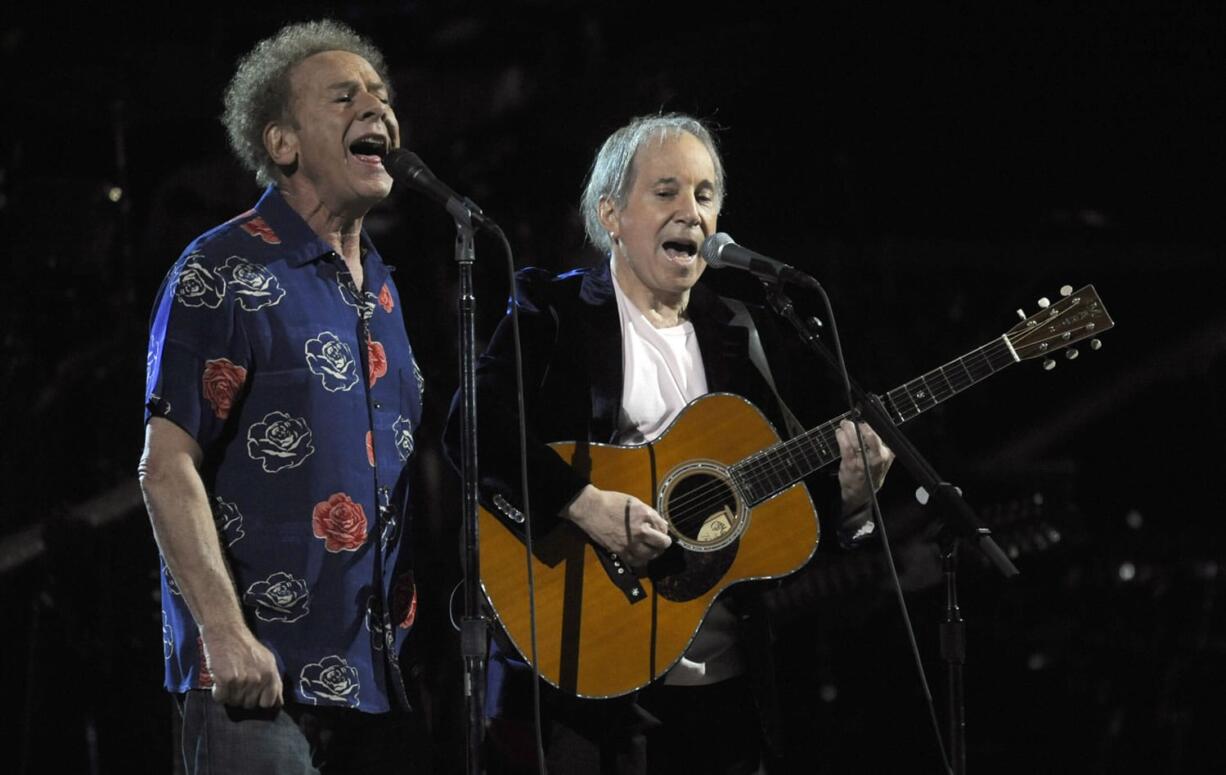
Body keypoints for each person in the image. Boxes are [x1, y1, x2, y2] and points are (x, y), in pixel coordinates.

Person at [445, 113, 894, 774]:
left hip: (723, 688)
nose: (691, 211)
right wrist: (584, 502)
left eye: (706, 195)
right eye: (666, 192)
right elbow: (472, 427)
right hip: (584, 669)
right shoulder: (555, 312)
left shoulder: (738, 334)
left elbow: (784, 514)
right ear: (611, 213)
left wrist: (854, 501)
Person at [138, 20, 429, 774]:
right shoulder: (222, 267)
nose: (377, 107)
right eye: (345, 96)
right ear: (282, 143)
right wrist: (225, 633)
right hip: (261, 682)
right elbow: (167, 466)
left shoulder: (387, 287)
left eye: (381, 94)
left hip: (379, 683)